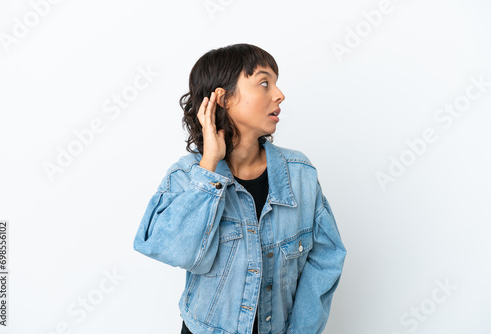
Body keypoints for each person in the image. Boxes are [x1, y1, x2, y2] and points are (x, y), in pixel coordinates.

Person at [133, 43, 347, 334]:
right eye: (263, 83)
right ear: (223, 98)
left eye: (275, 83)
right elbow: (171, 250)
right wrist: (209, 164)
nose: (279, 94)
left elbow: (326, 257)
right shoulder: (187, 176)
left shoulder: (300, 174)